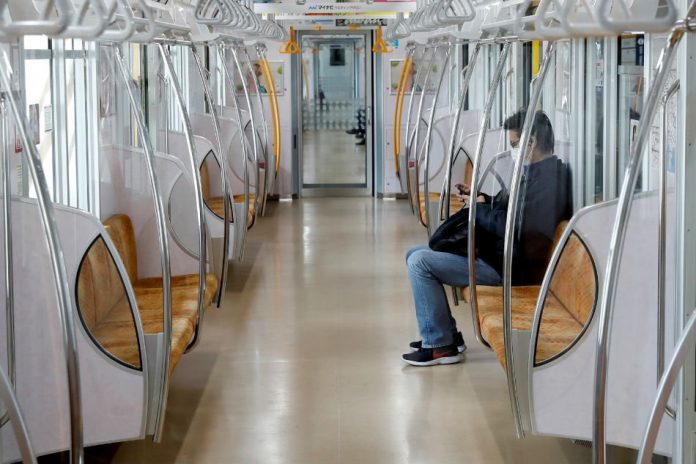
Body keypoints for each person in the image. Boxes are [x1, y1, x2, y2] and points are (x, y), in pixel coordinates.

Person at [401, 110, 572, 366]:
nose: (513, 151)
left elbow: (515, 228)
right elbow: (511, 212)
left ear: (532, 141)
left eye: (515, 144)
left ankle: (439, 345)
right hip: (498, 255)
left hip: (508, 268)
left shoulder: (549, 182)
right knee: (414, 253)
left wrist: (479, 211)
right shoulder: (534, 174)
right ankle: (447, 335)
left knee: (420, 263)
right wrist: (482, 198)